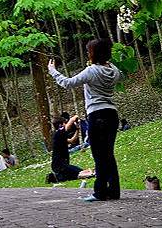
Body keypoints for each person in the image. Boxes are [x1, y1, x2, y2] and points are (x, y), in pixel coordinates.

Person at [48, 38, 123, 202]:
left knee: (99, 156)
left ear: (94, 53)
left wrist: (53, 71)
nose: (87, 54)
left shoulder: (91, 71)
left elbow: (67, 83)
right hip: (112, 114)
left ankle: (100, 192)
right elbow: (119, 76)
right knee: (108, 154)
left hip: (97, 115)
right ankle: (114, 191)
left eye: (89, 51)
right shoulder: (114, 70)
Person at [49, 116, 84, 182]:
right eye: (64, 123)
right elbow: (69, 124)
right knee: (80, 172)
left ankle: (57, 177)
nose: (66, 124)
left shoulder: (60, 135)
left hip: (64, 165)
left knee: (77, 173)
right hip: (59, 165)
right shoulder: (58, 133)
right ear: (60, 125)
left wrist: (77, 130)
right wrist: (75, 117)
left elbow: (71, 141)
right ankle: (55, 177)